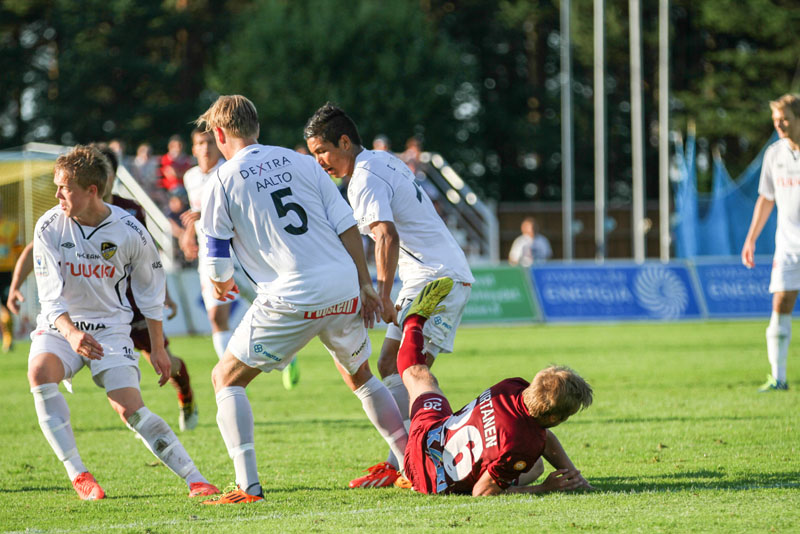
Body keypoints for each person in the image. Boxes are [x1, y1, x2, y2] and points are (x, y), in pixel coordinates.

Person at [194, 95, 407, 504]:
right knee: (361, 374)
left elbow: (216, 258)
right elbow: (346, 225)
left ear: (219, 134)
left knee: (225, 378)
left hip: (291, 294)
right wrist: (365, 284)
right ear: (255, 127)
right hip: (342, 283)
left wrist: (220, 286)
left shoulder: (219, 180)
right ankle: (410, 464)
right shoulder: (302, 161)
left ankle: (247, 486)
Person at [26, 145, 218, 500]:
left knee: (129, 408)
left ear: (92, 191)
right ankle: (79, 475)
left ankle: (196, 478)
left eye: (64, 188)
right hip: (60, 325)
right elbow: (50, 297)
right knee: (39, 372)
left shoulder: (130, 229)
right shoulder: (50, 225)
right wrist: (70, 334)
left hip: (111, 328)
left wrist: (158, 347)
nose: (57, 195)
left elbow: (150, 291)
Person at [305, 103, 474, 488]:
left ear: (345, 141)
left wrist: (381, 295)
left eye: (323, 152)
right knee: (391, 366)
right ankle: (402, 460)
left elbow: (386, 235)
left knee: (413, 372)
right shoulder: (382, 159)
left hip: (439, 279)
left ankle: (437, 457)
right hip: (426, 277)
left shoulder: (363, 178)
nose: (320, 162)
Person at [10, 146, 201, 432]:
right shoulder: (65, 214)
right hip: (90, 312)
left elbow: (147, 262)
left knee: (164, 362)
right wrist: (15, 286)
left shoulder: (130, 210)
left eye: (111, 173)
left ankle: (184, 395)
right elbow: (35, 248)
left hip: (130, 304)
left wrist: (165, 297)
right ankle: (135, 415)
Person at [395, 278, 594, 495]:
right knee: (535, 466)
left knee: (419, 375)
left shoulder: (512, 387)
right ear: (555, 418)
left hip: (427, 436)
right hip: (428, 480)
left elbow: (543, 435)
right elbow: (482, 492)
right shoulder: (523, 445)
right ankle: (411, 475)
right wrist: (545, 488)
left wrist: (575, 477)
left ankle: (414, 320)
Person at [742, 93, 800, 393]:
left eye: (785, 118)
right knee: (780, 303)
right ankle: (778, 377)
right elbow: (766, 199)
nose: (779, 124)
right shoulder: (774, 154)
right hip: (788, 245)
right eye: (776, 120)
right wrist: (750, 239)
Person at [0, 199, 22, 352]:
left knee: (6, 306)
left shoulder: (11, 226)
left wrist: (20, 271)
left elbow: (18, 248)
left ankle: (8, 338)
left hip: (6, 272)